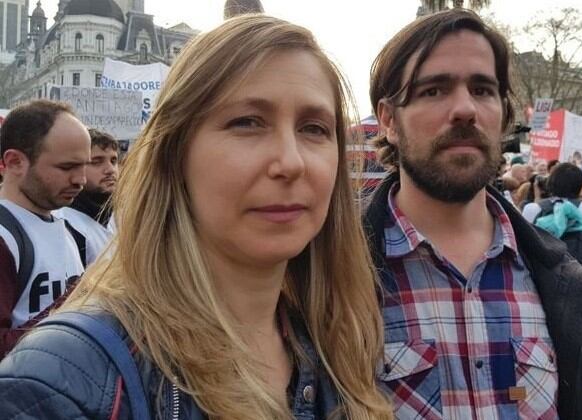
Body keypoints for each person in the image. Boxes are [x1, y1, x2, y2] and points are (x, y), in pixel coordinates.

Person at [0, 15, 392, 419]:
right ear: (174, 155)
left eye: (314, 128)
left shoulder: (342, 344)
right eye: (247, 123)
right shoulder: (60, 384)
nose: (291, 162)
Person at [365, 9, 582, 419]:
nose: (465, 109)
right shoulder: (330, 274)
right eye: (433, 90)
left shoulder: (560, 279)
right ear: (389, 119)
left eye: (481, 90)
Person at [0, 100, 89, 356]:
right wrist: (75, 302)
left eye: (84, 164)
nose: (80, 179)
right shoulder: (5, 237)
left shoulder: (69, 228)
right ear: (15, 161)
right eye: (67, 167)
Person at [57, 128, 119, 266]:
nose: (110, 170)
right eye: (96, 162)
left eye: (113, 161)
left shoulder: (120, 218)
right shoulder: (66, 224)